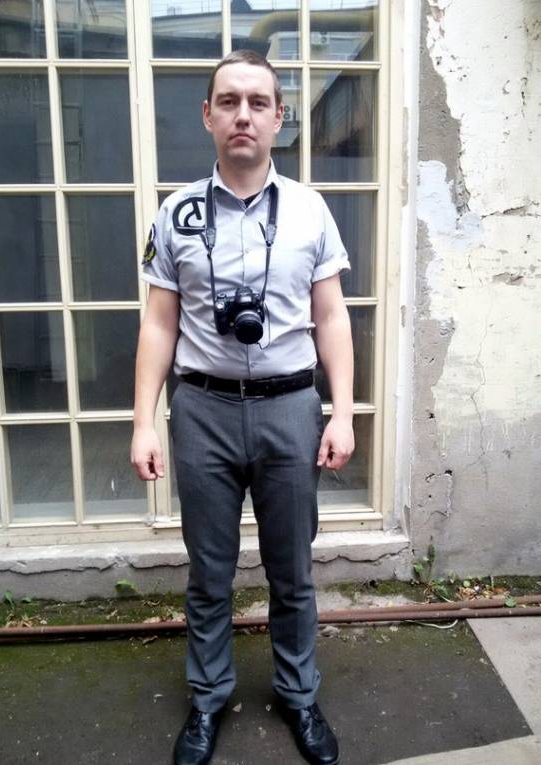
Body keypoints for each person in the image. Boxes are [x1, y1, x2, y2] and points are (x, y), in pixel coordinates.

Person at [131, 49, 355, 765]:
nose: (243, 115)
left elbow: (332, 316)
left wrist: (342, 411)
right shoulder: (177, 214)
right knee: (209, 573)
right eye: (228, 101)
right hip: (202, 410)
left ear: (279, 117)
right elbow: (158, 324)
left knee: (293, 571)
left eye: (258, 102)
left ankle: (298, 695)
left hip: (291, 408)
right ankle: (207, 700)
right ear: (207, 115)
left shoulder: (310, 210)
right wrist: (143, 421)